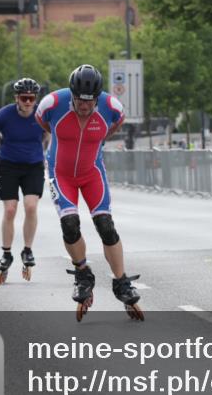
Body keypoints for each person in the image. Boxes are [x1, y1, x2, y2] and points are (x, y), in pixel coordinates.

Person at [36, 64, 143, 321]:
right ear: (71, 94)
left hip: (92, 172)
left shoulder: (112, 108)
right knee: (69, 224)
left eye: (89, 102)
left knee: (106, 225)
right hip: (60, 174)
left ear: (98, 97)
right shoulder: (51, 104)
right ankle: (83, 273)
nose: (84, 107)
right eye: (79, 101)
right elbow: (43, 123)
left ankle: (121, 282)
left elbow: (113, 126)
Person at [0, 77, 48, 284]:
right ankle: (6, 253)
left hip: (33, 165)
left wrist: (40, 150)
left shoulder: (41, 114)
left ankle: (27, 250)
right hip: (8, 165)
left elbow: (47, 134)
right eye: (24, 98)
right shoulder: (5, 114)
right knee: (10, 209)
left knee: (31, 207)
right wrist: (4, 144)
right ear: (17, 98)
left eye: (32, 98)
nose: (28, 102)